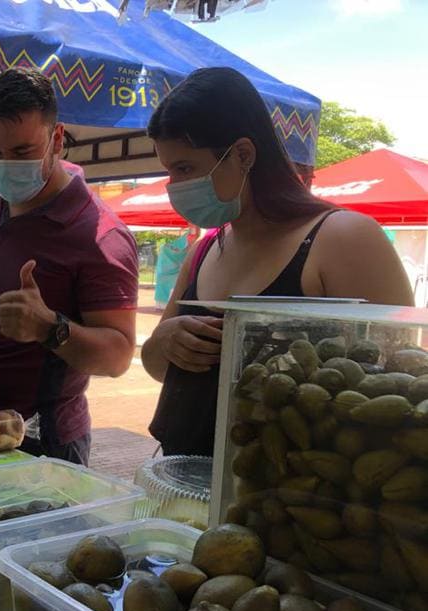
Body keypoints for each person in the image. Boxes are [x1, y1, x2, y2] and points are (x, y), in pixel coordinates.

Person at [142, 67, 413, 456]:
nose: (174, 187)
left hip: (288, 483)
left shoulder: (342, 239)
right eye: (169, 172)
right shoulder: (205, 250)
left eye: (185, 168)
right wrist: (164, 342)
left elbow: (397, 385)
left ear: (243, 155)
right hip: (179, 475)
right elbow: (159, 369)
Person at [0, 67, 139, 466]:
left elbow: (119, 355)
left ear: (57, 139)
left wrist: (48, 328)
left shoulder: (100, 234)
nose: (5, 166)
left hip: (39, 441)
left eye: (22, 152)